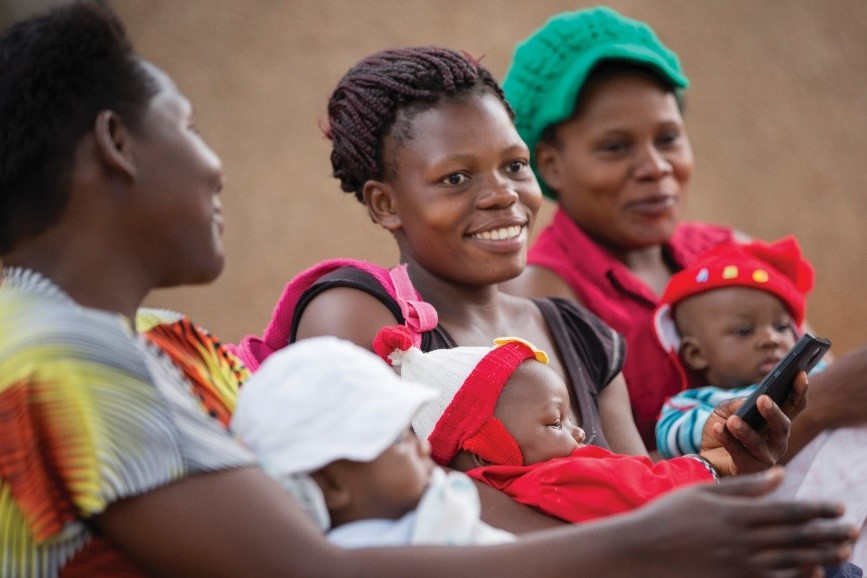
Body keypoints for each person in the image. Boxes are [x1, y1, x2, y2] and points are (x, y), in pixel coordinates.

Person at [0, 4, 857, 577]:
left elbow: (624, 479)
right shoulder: (63, 366)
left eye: (513, 166)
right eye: (186, 126)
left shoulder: (149, 339)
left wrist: (700, 482)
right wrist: (650, 536)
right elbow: (322, 554)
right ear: (117, 143)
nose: (502, 196)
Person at [499, 5, 867, 455]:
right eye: (615, 147)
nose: (656, 167)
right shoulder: (542, 299)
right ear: (551, 166)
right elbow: (592, 482)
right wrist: (825, 406)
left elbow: (816, 375)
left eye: (668, 138)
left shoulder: (733, 255)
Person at [652, 236, 867, 568]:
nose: (769, 339)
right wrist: (734, 420)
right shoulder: (692, 403)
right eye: (743, 331)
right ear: (696, 353)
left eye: (782, 327)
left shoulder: (817, 377)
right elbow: (674, 437)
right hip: (806, 525)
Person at [231, 335, 514, 547]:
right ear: (332, 485)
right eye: (399, 441)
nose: (423, 447)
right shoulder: (380, 550)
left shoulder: (430, 511)